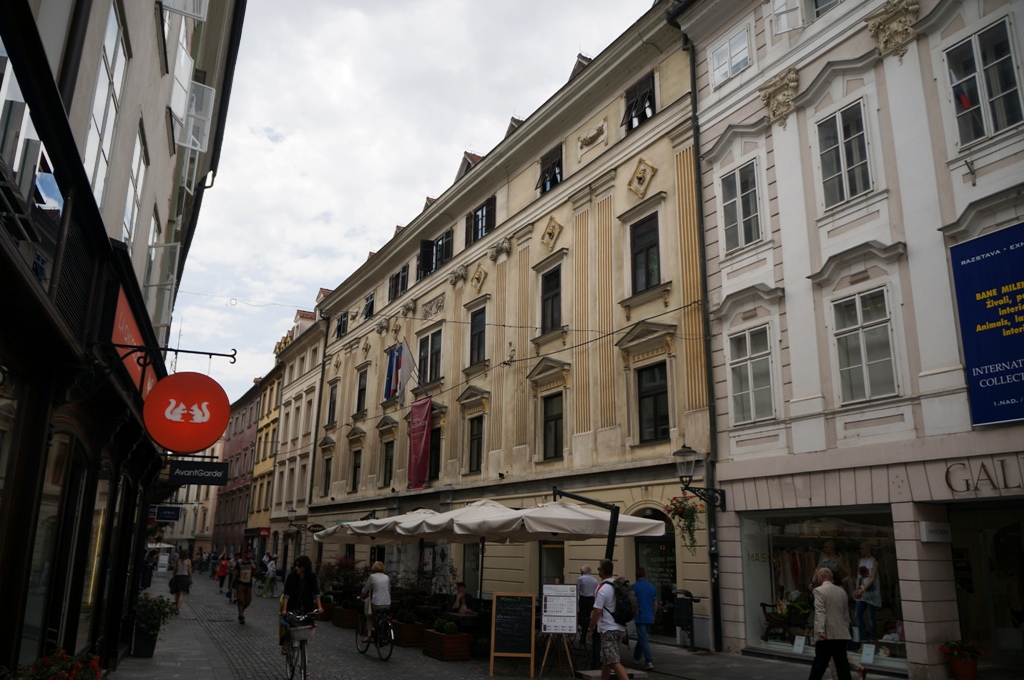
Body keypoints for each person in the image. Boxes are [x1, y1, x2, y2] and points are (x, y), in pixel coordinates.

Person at [807, 567, 853, 680]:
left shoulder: (819, 590)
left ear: (822, 577)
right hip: (840, 631)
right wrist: (846, 627)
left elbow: (820, 611)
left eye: (818, 576)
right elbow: (845, 613)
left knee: (819, 663)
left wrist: (820, 629)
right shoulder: (841, 591)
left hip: (827, 632)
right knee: (842, 664)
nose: (817, 578)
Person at [587, 559, 629, 680]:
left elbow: (597, 611)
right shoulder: (618, 586)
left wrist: (590, 629)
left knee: (613, 661)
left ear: (602, 571)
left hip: (608, 629)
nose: (598, 571)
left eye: (598, 569)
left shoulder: (602, 588)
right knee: (607, 660)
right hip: (620, 627)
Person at [280, 555, 324, 655]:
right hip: (293, 606)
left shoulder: (311, 577)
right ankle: (286, 641)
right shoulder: (291, 577)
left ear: (305, 567)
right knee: (292, 626)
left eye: (299, 566)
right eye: (295, 566)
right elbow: (287, 595)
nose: (296, 568)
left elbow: (316, 593)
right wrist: (284, 609)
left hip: (306, 607)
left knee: (306, 627)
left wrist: (320, 607)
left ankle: (303, 655)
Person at [854, 542, 882, 643]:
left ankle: (873, 638)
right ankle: (863, 638)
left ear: (868, 548)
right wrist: (857, 589)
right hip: (861, 591)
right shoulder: (860, 560)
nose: (860, 550)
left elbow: (872, 577)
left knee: (871, 617)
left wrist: (863, 589)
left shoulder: (874, 561)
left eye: (862, 548)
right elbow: (858, 576)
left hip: (871, 591)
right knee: (858, 615)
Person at [630, 567, 658, 670]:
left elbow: (632, 602)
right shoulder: (652, 587)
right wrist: (654, 615)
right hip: (649, 616)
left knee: (643, 638)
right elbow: (655, 603)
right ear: (645, 575)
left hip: (640, 616)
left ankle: (649, 661)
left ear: (636, 576)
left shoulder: (634, 587)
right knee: (643, 637)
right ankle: (636, 657)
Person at [360, 560, 391, 642]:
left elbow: (365, 589)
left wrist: (361, 596)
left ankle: (369, 635)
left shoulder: (372, 577)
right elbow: (389, 590)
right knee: (382, 616)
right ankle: (382, 631)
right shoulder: (387, 577)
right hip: (387, 603)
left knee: (369, 615)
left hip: (376, 604)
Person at [577, 565, 599, 668]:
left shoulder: (580, 579)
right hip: (591, 599)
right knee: (589, 616)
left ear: (582, 571)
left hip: (583, 599)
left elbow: (577, 589)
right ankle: (587, 631)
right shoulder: (594, 580)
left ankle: (584, 633)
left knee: (582, 616)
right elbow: (596, 590)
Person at [233, 548, 257, 624]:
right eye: (249, 554)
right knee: (240, 600)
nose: (250, 556)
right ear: (245, 555)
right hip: (240, 583)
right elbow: (235, 573)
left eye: (251, 554)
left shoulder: (252, 563)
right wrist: (232, 584)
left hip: (248, 584)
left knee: (248, 601)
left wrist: (254, 568)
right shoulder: (239, 563)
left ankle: (241, 610)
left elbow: (255, 573)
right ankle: (241, 616)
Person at [171, 549, 192, 613]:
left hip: (177, 577)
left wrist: (173, 577)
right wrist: (190, 578)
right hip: (184, 577)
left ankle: (176, 606)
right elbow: (189, 571)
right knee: (181, 594)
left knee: (177, 593)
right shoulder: (188, 561)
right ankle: (177, 608)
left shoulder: (177, 561)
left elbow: (174, 570)